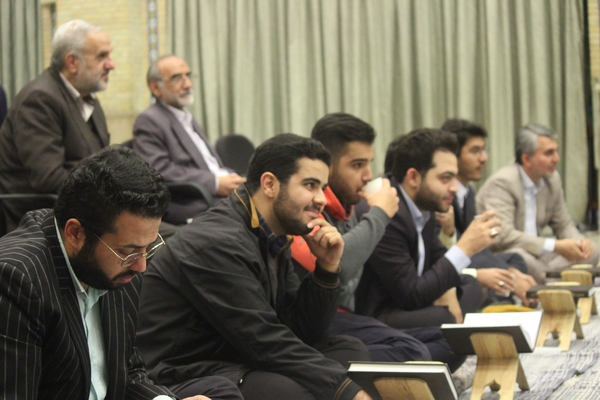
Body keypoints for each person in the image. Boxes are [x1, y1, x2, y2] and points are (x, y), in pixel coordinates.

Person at [136, 133, 373, 400]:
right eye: (310, 185)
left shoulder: (273, 234)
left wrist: (327, 268)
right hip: (183, 368)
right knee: (291, 392)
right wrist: (345, 390)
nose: (322, 199)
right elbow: (263, 340)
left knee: (348, 352)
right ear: (270, 184)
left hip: (234, 354)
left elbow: (303, 331)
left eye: (323, 188)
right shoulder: (218, 241)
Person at [0, 145, 242, 400]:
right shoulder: (17, 279)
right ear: (75, 233)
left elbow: (128, 373)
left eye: (148, 248)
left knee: (222, 392)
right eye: (129, 251)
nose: (141, 266)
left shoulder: (119, 266)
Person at [290, 112, 464, 371]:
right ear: (327, 166)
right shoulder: (311, 206)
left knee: (454, 342)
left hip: (351, 319)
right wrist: (380, 214)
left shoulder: (349, 206)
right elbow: (337, 265)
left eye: (369, 164)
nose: (368, 175)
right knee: (412, 349)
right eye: (357, 165)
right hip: (322, 321)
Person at [355, 129, 500, 329]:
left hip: (415, 299)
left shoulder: (424, 203)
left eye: (454, 177)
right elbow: (410, 295)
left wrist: (448, 291)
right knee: (445, 318)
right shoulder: (386, 211)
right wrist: (465, 247)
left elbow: (438, 259)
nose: (454, 188)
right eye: (445, 178)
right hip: (381, 313)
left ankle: (450, 326)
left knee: (472, 285)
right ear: (413, 177)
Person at [0, 20, 113, 232]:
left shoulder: (88, 97)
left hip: (90, 212)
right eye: (102, 56)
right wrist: (112, 192)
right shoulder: (39, 98)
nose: (111, 64)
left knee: (163, 236)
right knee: (164, 243)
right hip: (49, 223)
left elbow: (103, 160)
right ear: (72, 62)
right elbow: (50, 179)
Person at [476, 123, 599, 283]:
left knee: (593, 251)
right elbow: (503, 236)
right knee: (523, 259)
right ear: (527, 159)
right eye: (549, 153)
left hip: (541, 255)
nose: (556, 158)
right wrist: (555, 246)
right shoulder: (502, 183)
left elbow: (563, 224)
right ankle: (550, 281)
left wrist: (579, 243)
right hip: (509, 255)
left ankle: (547, 281)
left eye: (556, 151)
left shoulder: (552, 179)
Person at [133, 55, 246, 225]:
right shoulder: (149, 120)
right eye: (177, 78)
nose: (188, 84)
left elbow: (210, 165)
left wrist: (233, 179)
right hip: (193, 201)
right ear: (155, 87)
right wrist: (215, 183)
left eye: (188, 76)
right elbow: (158, 171)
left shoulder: (186, 117)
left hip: (217, 194)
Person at [439, 118, 536, 306]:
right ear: (453, 155)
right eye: (475, 151)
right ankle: (502, 299)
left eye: (483, 150)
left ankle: (503, 295)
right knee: (488, 271)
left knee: (516, 260)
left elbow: (479, 248)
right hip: (451, 265)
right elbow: (452, 254)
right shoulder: (441, 196)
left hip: (469, 259)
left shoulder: (468, 192)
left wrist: (510, 272)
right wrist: (509, 276)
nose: (483, 158)